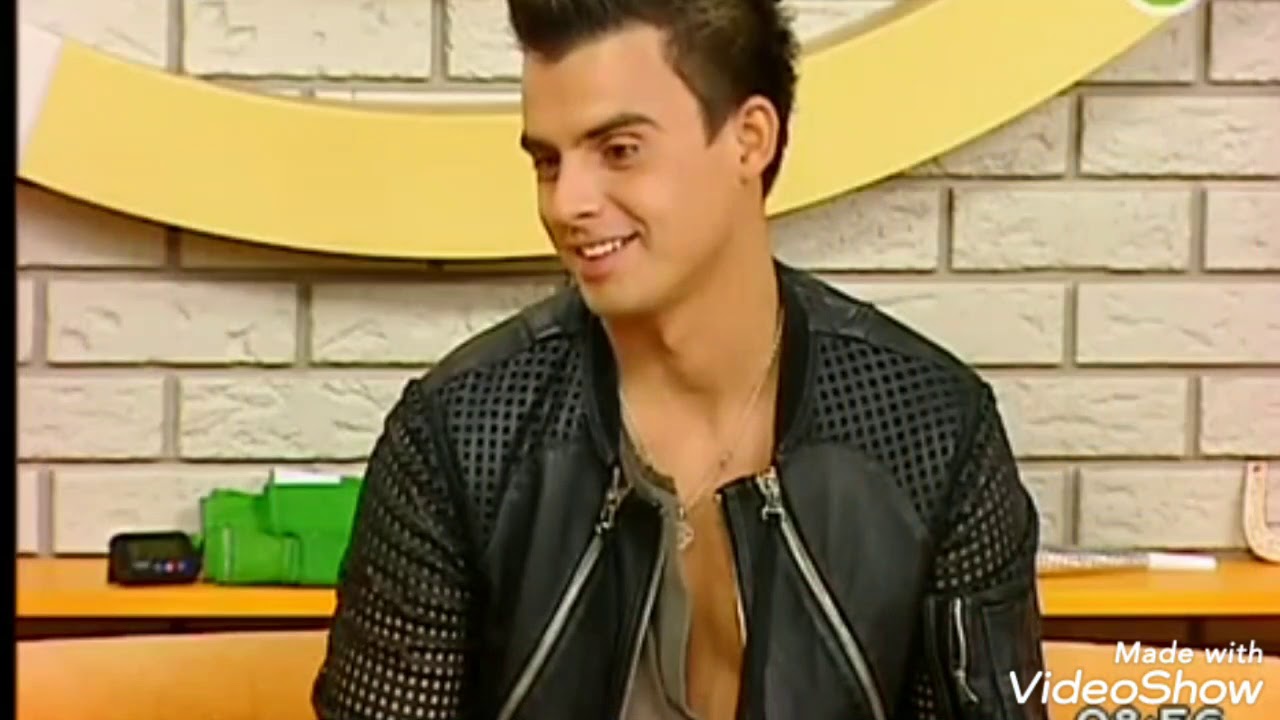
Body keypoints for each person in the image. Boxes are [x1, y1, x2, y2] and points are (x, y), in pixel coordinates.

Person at [311, 0, 1048, 718]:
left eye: (619, 151)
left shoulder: (932, 433)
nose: (567, 203)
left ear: (749, 140)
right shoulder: (459, 436)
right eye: (548, 162)